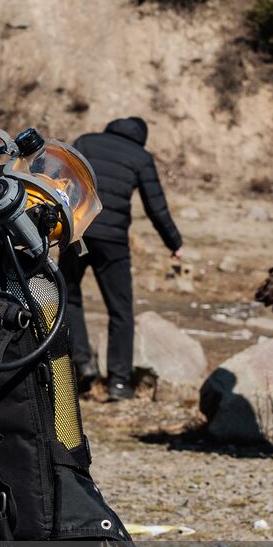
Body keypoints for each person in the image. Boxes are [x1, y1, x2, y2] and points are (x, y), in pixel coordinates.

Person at [63, 116, 183, 401]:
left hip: (77, 230)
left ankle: (82, 365)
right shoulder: (140, 157)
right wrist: (174, 243)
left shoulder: (86, 141)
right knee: (120, 310)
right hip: (113, 242)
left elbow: (62, 180)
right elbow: (157, 207)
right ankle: (118, 383)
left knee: (68, 295)